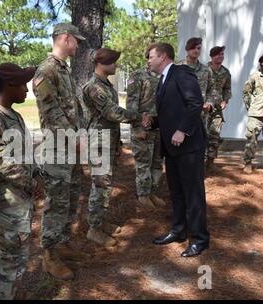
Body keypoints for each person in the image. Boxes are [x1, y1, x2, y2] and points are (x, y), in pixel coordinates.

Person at [0, 63, 44, 300]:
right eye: (23, 85)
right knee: (9, 261)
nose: (27, 90)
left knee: (20, 258)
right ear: (10, 86)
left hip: (20, 202)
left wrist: (36, 174)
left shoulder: (13, 116)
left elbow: (26, 153)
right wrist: (31, 183)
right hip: (6, 203)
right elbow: (3, 162)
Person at [32, 23, 87, 280]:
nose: (77, 45)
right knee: (56, 203)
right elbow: (51, 112)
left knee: (71, 197)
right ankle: (49, 256)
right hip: (57, 149)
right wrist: (74, 137)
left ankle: (62, 244)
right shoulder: (46, 70)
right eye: (75, 40)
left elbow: (73, 108)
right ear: (66, 38)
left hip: (72, 148)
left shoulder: (63, 70)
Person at [146, 43, 209, 257]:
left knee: (193, 194)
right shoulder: (163, 79)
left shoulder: (181, 73)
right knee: (177, 192)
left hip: (189, 147)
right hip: (172, 148)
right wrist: (153, 122)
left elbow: (195, 103)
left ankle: (200, 239)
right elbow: (172, 111)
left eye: (151, 56)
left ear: (163, 56)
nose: (148, 60)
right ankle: (179, 231)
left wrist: (182, 130)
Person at [82, 48, 141, 247]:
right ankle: (93, 229)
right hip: (98, 143)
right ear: (103, 63)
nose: (116, 65)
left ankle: (100, 221)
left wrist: (118, 144)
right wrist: (138, 117)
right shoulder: (94, 87)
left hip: (107, 141)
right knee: (100, 185)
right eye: (114, 62)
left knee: (105, 184)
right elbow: (111, 113)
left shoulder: (106, 85)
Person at [126, 50, 164, 210]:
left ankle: (151, 192)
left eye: (153, 57)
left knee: (156, 163)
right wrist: (137, 126)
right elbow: (131, 103)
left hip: (159, 126)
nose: (150, 60)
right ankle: (142, 195)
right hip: (143, 127)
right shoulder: (138, 76)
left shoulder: (163, 76)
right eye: (149, 57)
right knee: (143, 163)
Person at [205, 46, 232, 170]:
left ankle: (210, 162)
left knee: (214, 135)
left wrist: (225, 100)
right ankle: (199, 162)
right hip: (203, 109)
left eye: (222, 54)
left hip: (217, 109)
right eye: (218, 54)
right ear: (212, 56)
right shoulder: (203, 70)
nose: (220, 56)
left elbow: (227, 88)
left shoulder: (225, 72)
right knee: (202, 134)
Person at [177, 37, 213, 127]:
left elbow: (212, 90)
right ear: (187, 49)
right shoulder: (177, 68)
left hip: (201, 115)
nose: (196, 50)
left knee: (201, 140)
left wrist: (209, 104)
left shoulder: (206, 70)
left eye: (199, 48)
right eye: (193, 48)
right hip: (182, 114)